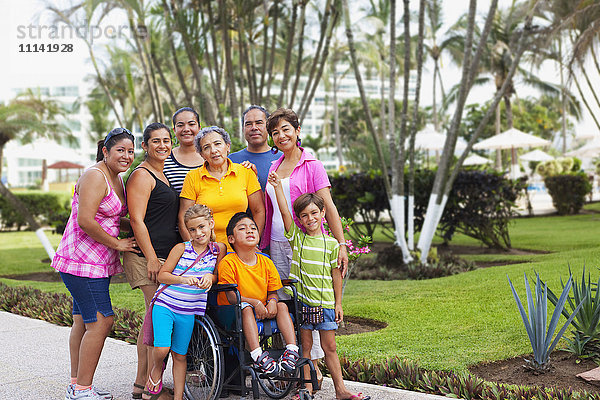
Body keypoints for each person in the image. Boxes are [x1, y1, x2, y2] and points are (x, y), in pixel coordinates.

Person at [262, 108, 348, 384]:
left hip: (306, 245)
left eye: (286, 129)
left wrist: (341, 244)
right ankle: (294, 366)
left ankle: (314, 367)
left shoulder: (312, 164)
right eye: (275, 132)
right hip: (278, 244)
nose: (280, 135)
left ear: (297, 131)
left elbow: (329, 207)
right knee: (286, 305)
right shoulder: (274, 167)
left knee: (313, 303)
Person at [52, 128, 138, 400]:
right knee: (102, 321)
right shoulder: (95, 175)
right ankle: (82, 390)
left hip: (96, 264)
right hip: (81, 261)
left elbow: (111, 219)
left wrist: (143, 226)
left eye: (130, 151)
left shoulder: (117, 178)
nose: (126, 156)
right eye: (120, 150)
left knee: (83, 321)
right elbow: (85, 220)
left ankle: (78, 383)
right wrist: (118, 244)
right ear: (106, 151)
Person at [266, 182, 370, 400]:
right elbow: (284, 211)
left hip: (325, 305)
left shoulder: (331, 244)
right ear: (299, 219)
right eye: (304, 215)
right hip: (304, 304)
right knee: (305, 347)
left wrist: (338, 303)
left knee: (329, 347)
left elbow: (336, 276)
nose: (310, 218)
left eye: (314, 213)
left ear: (323, 213)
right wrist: (276, 188)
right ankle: (307, 388)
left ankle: (340, 390)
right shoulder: (297, 238)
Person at [143, 204, 226, 400]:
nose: (198, 233)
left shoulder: (217, 250)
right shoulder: (181, 248)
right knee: (162, 349)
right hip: (166, 304)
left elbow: (216, 276)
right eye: (192, 229)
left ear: (211, 224)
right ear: (187, 230)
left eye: (202, 227)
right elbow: (162, 276)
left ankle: (178, 397)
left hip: (188, 310)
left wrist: (209, 277)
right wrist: (182, 279)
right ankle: (156, 369)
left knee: (180, 356)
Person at [123, 123, 180, 399]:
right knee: (156, 320)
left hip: (161, 256)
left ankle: (141, 384)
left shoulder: (162, 173)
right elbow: (136, 219)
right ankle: (149, 387)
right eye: (155, 141)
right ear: (144, 146)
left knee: (151, 319)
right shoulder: (142, 175)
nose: (162, 145)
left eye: (166, 140)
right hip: (146, 258)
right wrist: (151, 259)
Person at [217, 212, 299, 377]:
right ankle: (257, 354)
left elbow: (273, 292)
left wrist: (272, 302)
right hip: (232, 311)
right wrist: (255, 303)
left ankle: (292, 350)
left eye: (253, 228)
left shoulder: (266, 261)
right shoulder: (228, 262)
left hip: (260, 310)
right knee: (246, 308)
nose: (250, 231)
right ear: (231, 239)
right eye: (243, 228)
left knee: (282, 305)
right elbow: (231, 296)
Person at [179, 126, 265, 251]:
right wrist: (195, 251)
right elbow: (183, 218)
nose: (213, 150)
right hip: (207, 251)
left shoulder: (245, 172)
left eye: (217, 144)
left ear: (227, 146)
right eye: (206, 147)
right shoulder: (192, 177)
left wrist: (253, 242)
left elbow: (259, 211)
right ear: (202, 154)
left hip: (241, 249)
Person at [229, 105, 281, 191]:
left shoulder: (282, 159)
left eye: (259, 123)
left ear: (268, 127)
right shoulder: (231, 161)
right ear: (243, 129)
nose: (254, 128)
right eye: (248, 124)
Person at [163, 107, 204, 194]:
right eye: (180, 125)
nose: (186, 129)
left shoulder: (211, 156)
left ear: (199, 127)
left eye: (191, 124)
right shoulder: (164, 159)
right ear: (174, 130)